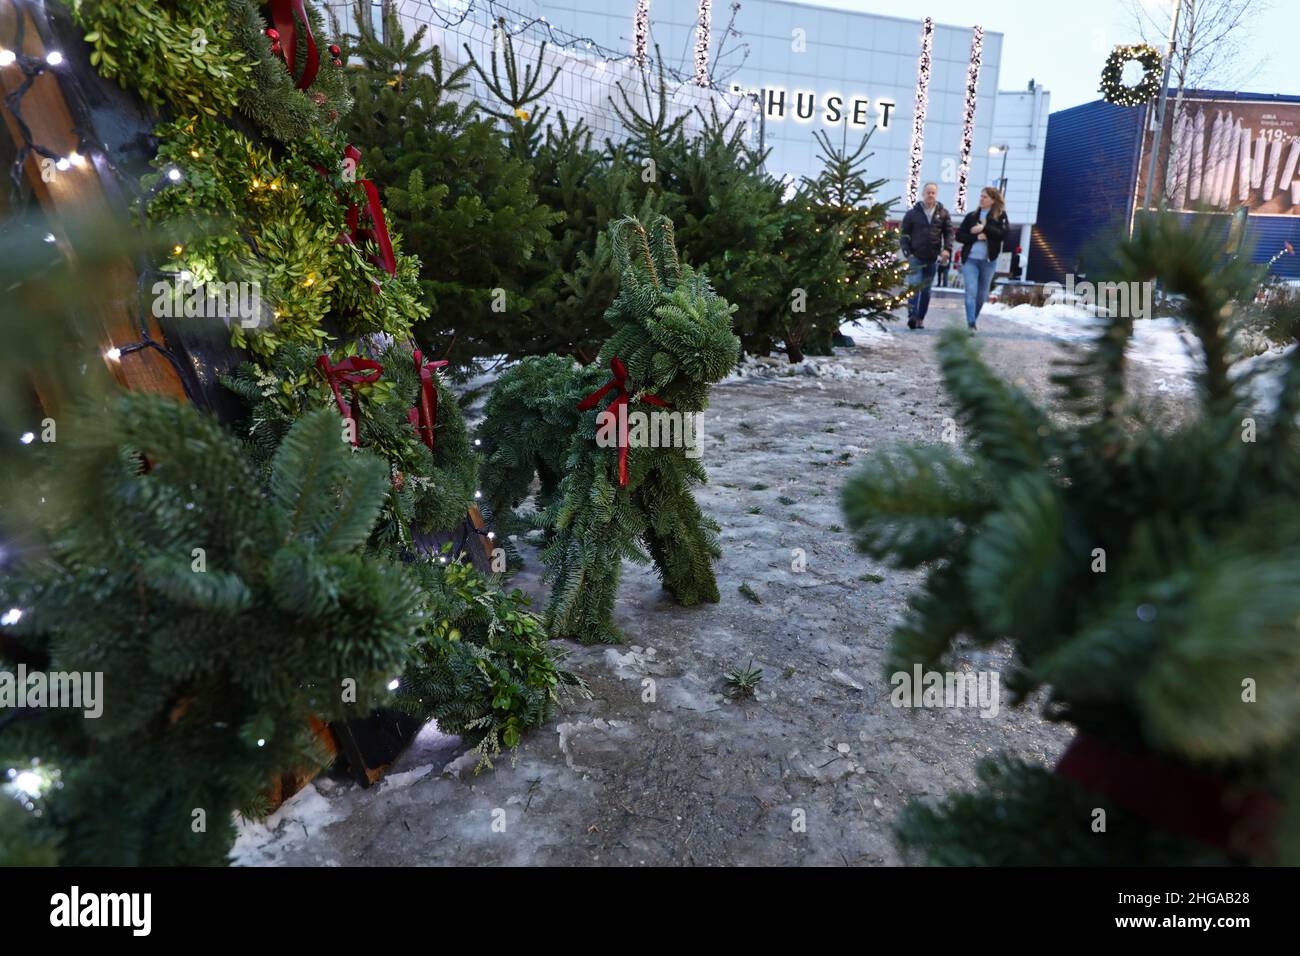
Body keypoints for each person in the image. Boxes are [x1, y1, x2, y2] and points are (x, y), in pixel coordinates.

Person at [899, 182, 953, 329]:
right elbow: (903, 234)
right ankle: (912, 316)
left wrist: (947, 249)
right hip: (915, 256)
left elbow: (949, 233)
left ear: (936, 194)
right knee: (914, 287)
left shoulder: (943, 213)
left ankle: (920, 317)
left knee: (926, 290)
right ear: (923, 194)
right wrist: (907, 253)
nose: (930, 195)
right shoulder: (912, 214)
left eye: (933, 193)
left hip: (932, 257)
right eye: (928, 192)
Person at [955, 186, 1009, 333]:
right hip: (971, 259)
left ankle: (973, 319)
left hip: (988, 261)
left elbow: (1003, 234)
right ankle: (971, 323)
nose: (981, 199)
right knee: (971, 291)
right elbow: (959, 236)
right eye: (981, 196)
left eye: (985, 197)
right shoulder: (971, 216)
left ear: (992, 200)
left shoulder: (1000, 216)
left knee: (982, 295)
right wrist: (976, 236)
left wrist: (984, 229)